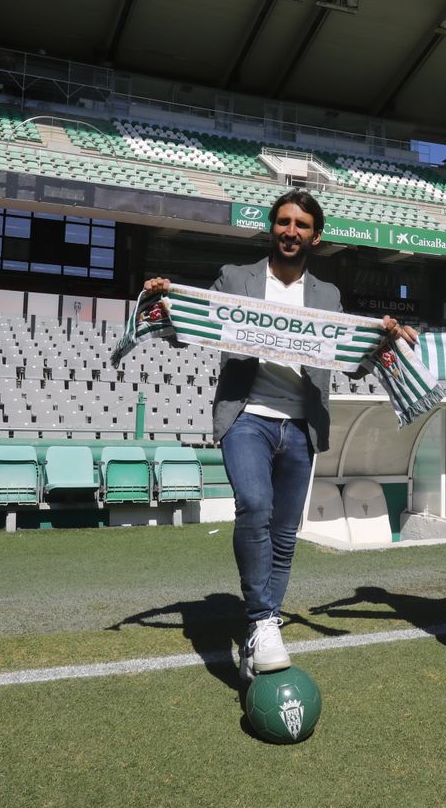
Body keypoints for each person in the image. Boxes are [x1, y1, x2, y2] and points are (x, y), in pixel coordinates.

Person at [143, 190, 406, 684]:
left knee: (285, 535)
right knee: (255, 508)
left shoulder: (327, 295)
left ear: (316, 235)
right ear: (272, 227)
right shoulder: (235, 278)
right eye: (283, 222)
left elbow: (349, 363)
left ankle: (263, 627)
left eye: (301, 225)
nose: (291, 231)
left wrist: (382, 334)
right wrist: (163, 299)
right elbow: (188, 328)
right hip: (247, 417)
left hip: (302, 426)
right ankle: (263, 619)